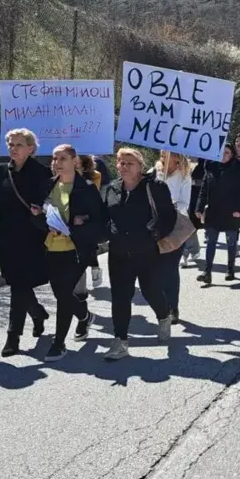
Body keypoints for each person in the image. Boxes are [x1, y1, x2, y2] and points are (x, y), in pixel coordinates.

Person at [0, 128, 52, 358]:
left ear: (31, 148)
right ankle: (38, 313)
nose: (13, 148)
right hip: (8, 236)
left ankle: (13, 337)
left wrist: (40, 209)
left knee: (20, 285)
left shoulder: (42, 173)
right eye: (10, 144)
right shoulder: (0, 171)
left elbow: (50, 205)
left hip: (32, 238)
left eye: (18, 144)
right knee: (16, 283)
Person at [102, 148, 175, 361]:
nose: (123, 166)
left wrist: (155, 234)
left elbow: (168, 217)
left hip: (147, 252)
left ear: (140, 167)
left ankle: (163, 316)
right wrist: (106, 232)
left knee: (151, 290)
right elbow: (106, 216)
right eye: (120, 162)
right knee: (120, 297)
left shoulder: (155, 187)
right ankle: (120, 341)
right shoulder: (112, 189)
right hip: (118, 253)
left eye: (129, 163)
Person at [40, 145, 105, 362]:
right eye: (54, 158)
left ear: (74, 161)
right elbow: (38, 216)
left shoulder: (86, 188)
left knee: (64, 295)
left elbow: (100, 224)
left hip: (76, 251)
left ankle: (58, 344)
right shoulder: (49, 185)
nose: (57, 162)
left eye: (63, 158)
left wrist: (78, 224)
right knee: (62, 294)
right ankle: (85, 316)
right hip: (52, 248)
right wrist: (42, 221)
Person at [196, 144, 240, 284]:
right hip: (214, 211)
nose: (223, 156)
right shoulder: (211, 168)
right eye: (221, 153)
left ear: (232, 155)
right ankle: (207, 272)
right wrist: (199, 208)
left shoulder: (237, 169)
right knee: (211, 242)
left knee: (231, 242)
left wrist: (239, 209)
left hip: (232, 211)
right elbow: (203, 190)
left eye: (226, 153)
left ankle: (230, 269)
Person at [154, 151, 193, 323]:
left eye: (168, 151)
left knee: (170, 268)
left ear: (176, 156)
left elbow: (185, 204)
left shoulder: (184, 175)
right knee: (158, 269)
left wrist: (169, 204)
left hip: (175, 225)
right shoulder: (154, 172)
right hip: (155, 226)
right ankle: (162, 305)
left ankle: (172, 307)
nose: (164, 154)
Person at [76, 155, 104, 290]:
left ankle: (95, 268)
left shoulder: (94, 176)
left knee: (90, 246)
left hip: (87, 214)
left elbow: (95, 193)